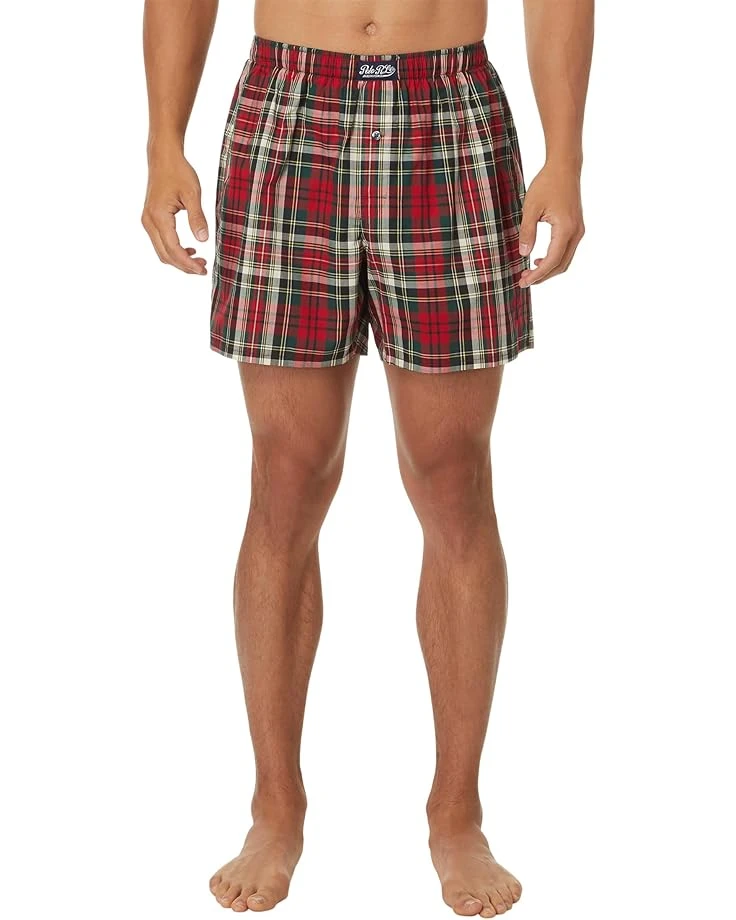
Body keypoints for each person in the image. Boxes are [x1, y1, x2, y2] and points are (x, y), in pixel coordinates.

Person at [141, 0, 593, 914]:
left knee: (453, 476)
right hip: (289, 105)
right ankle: (275, 808)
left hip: (448, 109)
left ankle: (457, 815)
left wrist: (567, 155)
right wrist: (162, 140)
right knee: (285, 478)